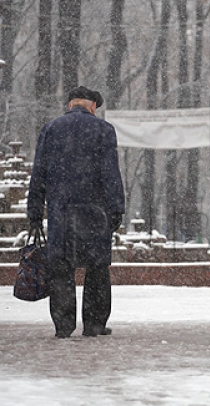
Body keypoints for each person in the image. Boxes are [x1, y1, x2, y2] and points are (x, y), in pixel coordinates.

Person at [27, 86, 125, 338]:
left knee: (61, 268)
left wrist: (35, 211)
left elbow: (38, 173)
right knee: (97, 268)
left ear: (71, 104)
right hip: (95, 212)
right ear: (93, 106)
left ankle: (63, 325)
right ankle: (94, 324)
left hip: (61, 212)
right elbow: (110, 173)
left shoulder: (50, 128)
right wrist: (116, 208)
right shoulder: (104, 130)